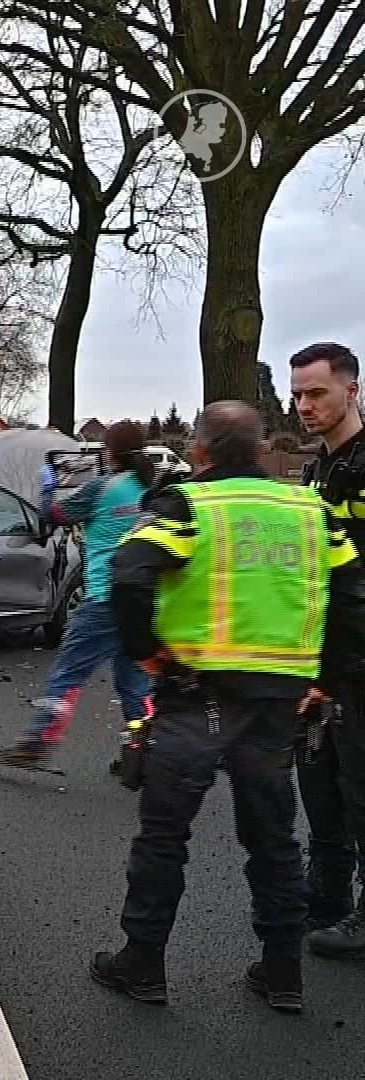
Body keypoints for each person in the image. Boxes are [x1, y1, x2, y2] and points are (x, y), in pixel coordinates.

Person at [90, 401, 365, 1014]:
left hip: (196, 696)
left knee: (163, 838)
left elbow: (128, 575)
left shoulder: (188, 505)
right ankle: (282, 973)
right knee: (273, 841)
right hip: (277, 703)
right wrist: (325, 679)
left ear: (202, 452)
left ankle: (143, 965)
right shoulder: (312, 510)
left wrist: (149, 655)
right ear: (264, 450)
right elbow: (351, 596)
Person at [0, 421, 156, 771]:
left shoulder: (101, 489)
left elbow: (53, 516)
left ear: (108, 451)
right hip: (146, 601)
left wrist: (47, 489)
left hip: (105, 597)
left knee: (68, 674)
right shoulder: (151, 488)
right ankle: (144, 749)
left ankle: (39, 740)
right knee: (134, 683)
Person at [289, 341, 365, 945]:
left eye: (316, 393)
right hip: (323, 652)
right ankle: (326, 894)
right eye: (297, 396)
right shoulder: (320, 468)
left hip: (358, 656)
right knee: (320, 779)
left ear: (351, 391)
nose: (304, 406)